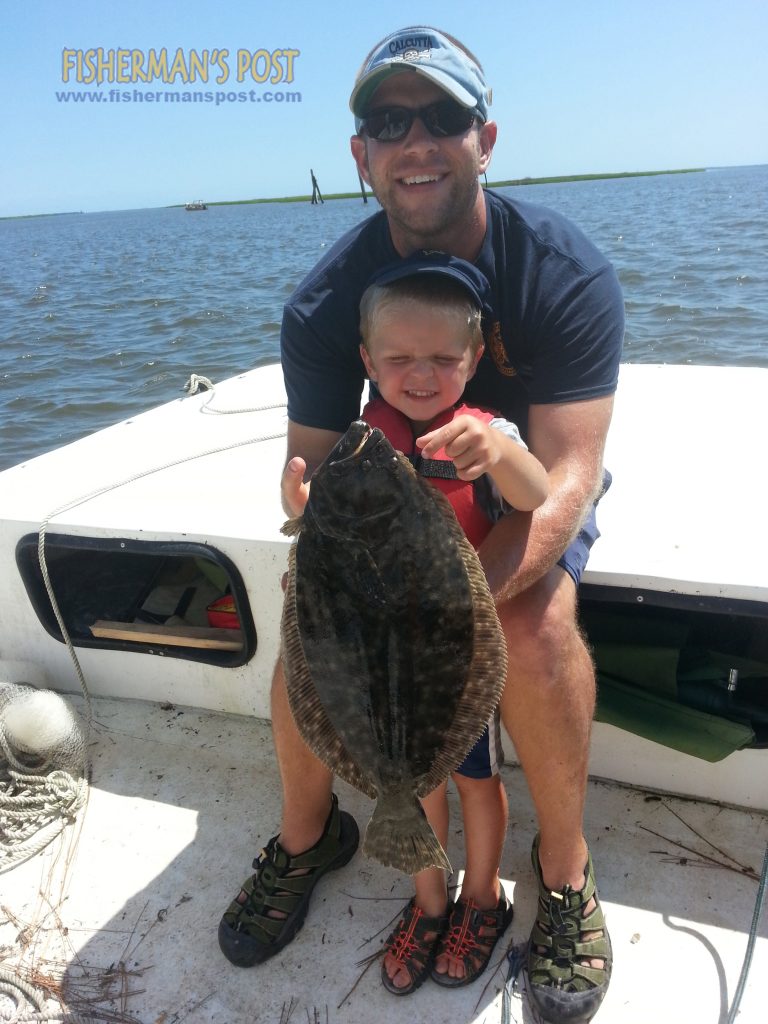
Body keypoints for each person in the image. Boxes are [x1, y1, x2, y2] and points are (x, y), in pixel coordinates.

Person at [219, 25, 623, 1024]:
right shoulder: (325, 301)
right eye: (388, 121)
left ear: (484, 138)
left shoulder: (563, 273)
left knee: (534, 633)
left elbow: (571, 472)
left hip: (518, 493)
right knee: (306, 645)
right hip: (386, 516)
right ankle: (309, 837)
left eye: (442, 117)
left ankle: (562, 874)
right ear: (361, 154)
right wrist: (304, 524)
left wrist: (451, 610)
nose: (417, 140)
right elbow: (306, 468)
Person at [358, 252, 548, 993]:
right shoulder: (363, 442)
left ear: (473, 360)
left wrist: (498, 452)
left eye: (443, 357)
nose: (422, 375)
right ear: (369, 361)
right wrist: (301, 505)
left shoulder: (484, 431)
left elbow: (535, 493)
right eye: (400, 357)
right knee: (414, 788)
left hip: (458, 664)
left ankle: (480, 898)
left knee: (474, 783)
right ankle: (428, 901)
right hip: (389, 664)